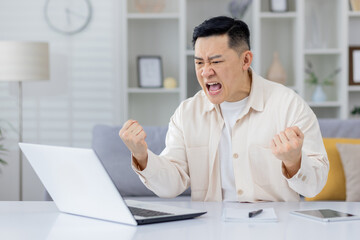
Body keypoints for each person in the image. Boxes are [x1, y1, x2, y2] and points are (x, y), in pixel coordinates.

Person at [119, 16, 329, 202]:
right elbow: (171, 185)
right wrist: (142, 156)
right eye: (199, 62)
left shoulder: (288, 105)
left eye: (216, 61)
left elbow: (314, 187)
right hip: (209, 227)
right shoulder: (187, 113)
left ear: (245, 60)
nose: (205, 72)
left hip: (274, 228)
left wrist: (294, 162)